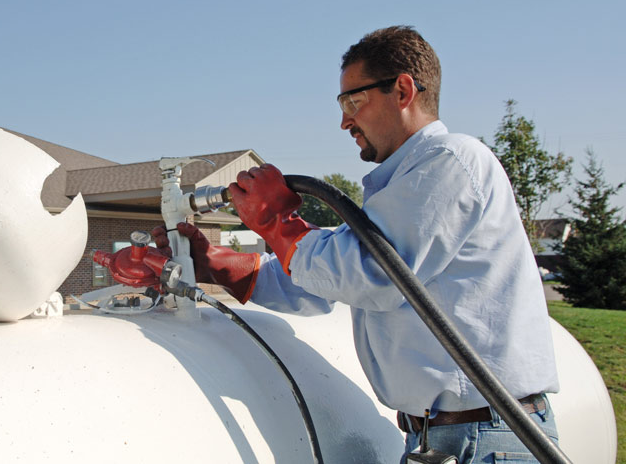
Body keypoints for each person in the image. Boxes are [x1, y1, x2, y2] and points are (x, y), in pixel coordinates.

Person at [153, 25, 559, 463]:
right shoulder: (402, 188)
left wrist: (275, 222)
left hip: (485, 435)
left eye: (353, 101)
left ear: (403, 90)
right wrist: (214, 262)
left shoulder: (449, 162)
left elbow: (373, 276)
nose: (344, 121)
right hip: (445, 438)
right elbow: (322, 280)